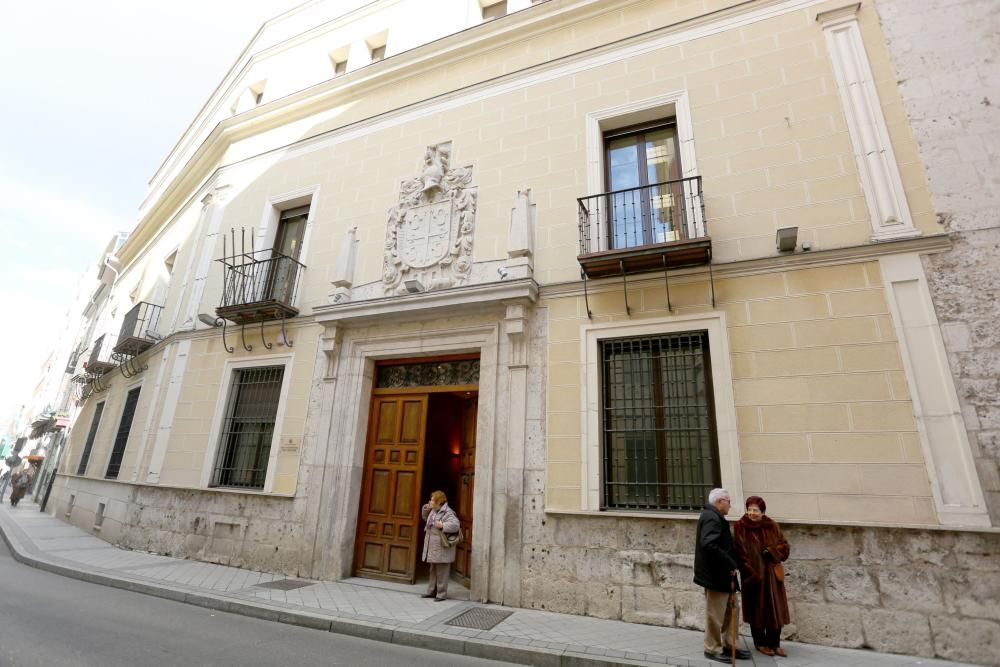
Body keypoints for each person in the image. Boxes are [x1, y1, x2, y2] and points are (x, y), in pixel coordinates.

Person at [694, 488, 751, 663]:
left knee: (731, 612)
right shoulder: (712, 517)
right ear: (719, 501)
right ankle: (712, 648)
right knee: (716, 615)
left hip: (725, 576)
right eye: (728, 501)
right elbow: (708, 544)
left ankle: (730, 645)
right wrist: (730, 562)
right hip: (716, 576)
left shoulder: (714, 516)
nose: (730, 504)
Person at [734, 495, 790, 657]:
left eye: (756, 510)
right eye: (750, 510)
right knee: (756, 612)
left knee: (775, 611)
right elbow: (740, 554)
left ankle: (775, 644)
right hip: (754, 577)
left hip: (773, 578)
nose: (752, 513)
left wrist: (773, 551)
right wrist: (752, 575)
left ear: (763, 511)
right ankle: (760, 643)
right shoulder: (740, 527)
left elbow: (785, 547)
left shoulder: (771, 525)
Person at [420, 490, 460, 601]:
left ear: (439, 502)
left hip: (442, 546)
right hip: (433, 545)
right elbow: (425, 518)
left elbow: (455, 525)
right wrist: (426, 508)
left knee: (442, 571)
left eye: (433, 500)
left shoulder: (447, 512)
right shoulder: (433, 511)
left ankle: (441, 594)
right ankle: (431, 591)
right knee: (433, 570)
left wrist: (442, 525)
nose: (430, 501)